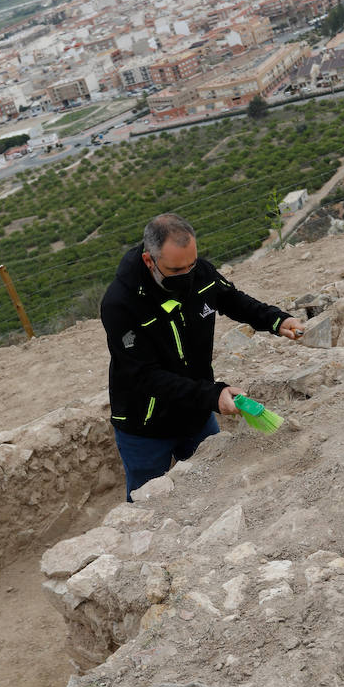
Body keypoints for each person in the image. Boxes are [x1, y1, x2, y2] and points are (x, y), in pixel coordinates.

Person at [100, 213, 305, 499]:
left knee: (214, 488)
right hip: (145, 426)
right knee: (147, 504)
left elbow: (232, 300)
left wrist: (276, 320)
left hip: (196, 414)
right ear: (149, 261)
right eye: (175, 270)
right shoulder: (121, 303)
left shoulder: (199, 273)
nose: (187, 276)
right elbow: (145, 377)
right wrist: (213, 396)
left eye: (192, 264)